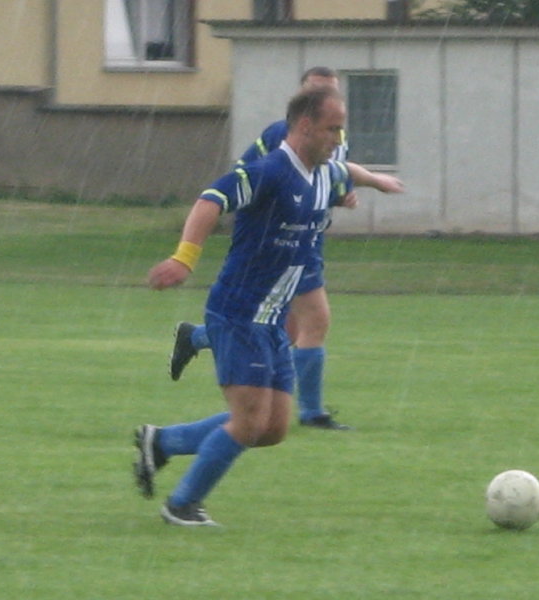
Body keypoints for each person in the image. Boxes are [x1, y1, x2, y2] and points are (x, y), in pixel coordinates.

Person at [134, 85, 354, 526]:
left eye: (341, 130)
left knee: (271, 428)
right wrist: (184, 258)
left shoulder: (325, 174)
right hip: (239, 311)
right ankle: (182, 506)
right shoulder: (270, 170)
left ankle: (162, 442)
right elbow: (210, 201)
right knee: (249, 421)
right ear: (305, 126)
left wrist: (366, 185)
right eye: (332, 129)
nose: (339, 139)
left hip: (273, 320)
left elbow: (349, 176)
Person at [169, 67, 404, 431]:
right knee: (313, 320)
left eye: (332, 91)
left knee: (289, 330)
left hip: (308, 239)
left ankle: (199, 339)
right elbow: (250, 176)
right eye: (318, 90)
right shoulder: (283, 135)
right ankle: (308, 412)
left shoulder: (335, 134)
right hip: (283, 242)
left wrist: (354, 189)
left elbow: (334, 174)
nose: (327, 99)